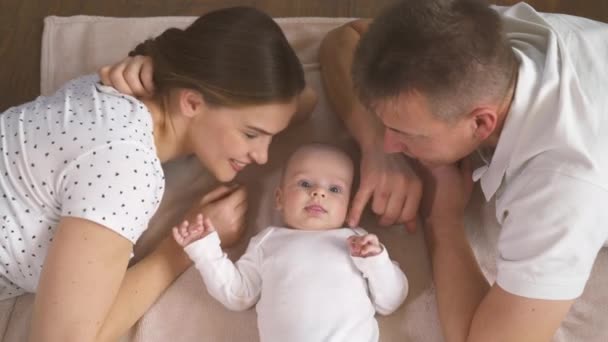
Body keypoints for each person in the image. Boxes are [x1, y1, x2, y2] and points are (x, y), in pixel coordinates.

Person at [0, 7, 317, 342]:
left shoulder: (124, 91)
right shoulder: (125, 171)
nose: (263, 156)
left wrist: (160, 64)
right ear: (192, 103)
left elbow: (302, 102)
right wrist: (181, 249)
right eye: (251, 134)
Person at [321, 0, 608, 341]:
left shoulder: (563, 187)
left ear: (481, 123)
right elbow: (344, 38)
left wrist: (443, 219)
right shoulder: (481, 39)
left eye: (405, 134)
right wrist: (371, 144)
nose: (391, 145)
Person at [172, 143, 408, 342]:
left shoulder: (356, 242)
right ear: (280, 198)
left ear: (348, 206)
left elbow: (391, 300)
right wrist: (206, 252)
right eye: (305, 184)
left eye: (334, 189)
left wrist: (377, 261)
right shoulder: (267, 242)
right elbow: (238, 294)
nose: (318, 192)